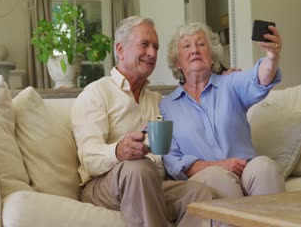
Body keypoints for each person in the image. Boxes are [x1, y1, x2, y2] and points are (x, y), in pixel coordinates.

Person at [71, 16, 213, 227]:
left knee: (198, 193)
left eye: (155, 46)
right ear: (120, 50)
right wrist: (118, 151)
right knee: (138, 168)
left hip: (152, 182)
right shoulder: (97, 93)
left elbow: (196, 111)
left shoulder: (157, 101)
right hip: (104, 186)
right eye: (144, 45)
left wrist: (222, 78)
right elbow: (88, 157)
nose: (152, 53)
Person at [160, 22, 286, 199]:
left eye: (201, 44)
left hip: (246, 168)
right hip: (208, 175)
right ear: (177, 62)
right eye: (187, 46)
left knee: (265, 166)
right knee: (217, 178)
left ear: (212, 57)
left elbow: (259, 78)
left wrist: (272, 56)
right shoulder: (167, 106)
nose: (195, 50)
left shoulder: (230, 83)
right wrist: (218, 165)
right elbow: (172, 160)